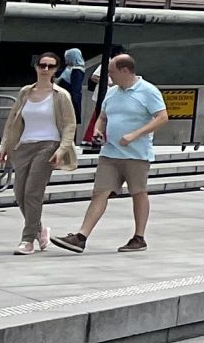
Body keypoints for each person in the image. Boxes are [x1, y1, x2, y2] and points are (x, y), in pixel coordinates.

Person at [52, 54, 168, 254]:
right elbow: (103, 117)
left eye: (112, 72)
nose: (109, 76)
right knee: (100, 193)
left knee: (138, 192)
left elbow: (162, 117)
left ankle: (139, 237)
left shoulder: (148, 91)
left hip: (136, 154)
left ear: (125, 71)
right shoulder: (112, 93)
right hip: (111, 152)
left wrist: (135, 135)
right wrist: (98, 130)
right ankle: (81, 237)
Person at [0, 52, 78, 254]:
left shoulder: (60, 95)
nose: (45, 69)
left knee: (33, 192)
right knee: (20, 194)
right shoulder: (25, 92)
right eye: (42, 65)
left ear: (56, 70)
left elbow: (69, 125)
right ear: (35, 67)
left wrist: (62, 149)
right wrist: (4, 145)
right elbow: (13, 121)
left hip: (48, 145)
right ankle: (39, 229)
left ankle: (27, 240)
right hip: (24, 146)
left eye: (50, 66)